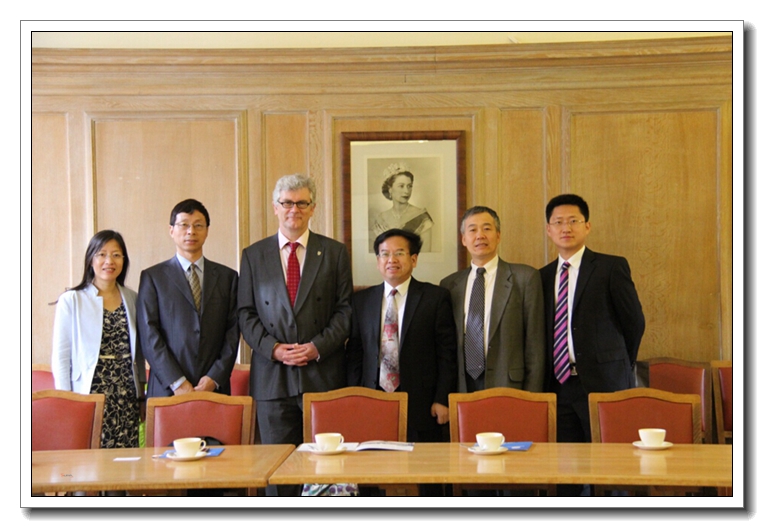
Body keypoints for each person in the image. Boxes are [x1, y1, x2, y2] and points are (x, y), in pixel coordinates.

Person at [238, 174, 352, 497]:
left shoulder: (334, 252)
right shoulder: (254, 255)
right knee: (277, 474)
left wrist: (317, 347)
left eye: (302, 203)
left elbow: (345, 312)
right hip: (272, 379)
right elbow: (245, 313)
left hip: (323, 375)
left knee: (325, 473)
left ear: (313, 208)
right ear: (276, 207)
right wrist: (273, 349)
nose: (294, 209)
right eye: (287, 203)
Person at [540, 194, 645, 495]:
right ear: (549, 230)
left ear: (587, 226)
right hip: (559, 385)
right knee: (566, 470)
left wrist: (619, 364)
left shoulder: (611, 267)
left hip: (604, 383)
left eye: (573, 221)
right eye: (558, 222)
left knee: (612, 468)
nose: (566, 228)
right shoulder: (542, 277)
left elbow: (634, 322)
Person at [347, 228, 457, 443]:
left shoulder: (435, 298)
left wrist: (442, 399)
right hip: (373, 399)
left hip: (422, 404)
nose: (392, 260)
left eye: (399, 253)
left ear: (413, 259)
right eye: (385, 254)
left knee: (422, 461)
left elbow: (447, 354)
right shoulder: (362, 301)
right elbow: (355, 353)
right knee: (375, 459)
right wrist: (354, 396)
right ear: (378, 261)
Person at [52, 230, 145, 449]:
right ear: (91, 259)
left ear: (124, 261)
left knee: (126, 457)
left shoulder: (132, 298)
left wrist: (141, 394)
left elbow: (139, 352)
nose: (109, 261)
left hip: (126, 392)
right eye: (101, 254)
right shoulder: (71, 300)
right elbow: (61, 357)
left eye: (116, 255)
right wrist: (66, 399)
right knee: (90, 455)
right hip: (90, 391)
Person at [137, 199, 239, 399]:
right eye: (184, 225)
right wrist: (176, 381)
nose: (191, 231)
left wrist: (214, 378)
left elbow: (233, 332)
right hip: (167, 390)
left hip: (214, 389)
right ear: (171, 230)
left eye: (198, 225)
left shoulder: (228, 278)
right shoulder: (153, 277)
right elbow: (149, 334)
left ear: (207, 231)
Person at [440, 206, 545, 393]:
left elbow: (535, 345)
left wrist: (532, 397)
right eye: (473, 230)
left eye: (487, 228)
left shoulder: (525, 278)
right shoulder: (449, 285)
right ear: (464, 239)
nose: (480, 235)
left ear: (498, 235)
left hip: (509, 386)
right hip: (462, 386)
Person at [371, 162, 434, 252]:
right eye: (401, 186)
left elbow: (426, 254)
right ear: (390, 189)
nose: (406, 191)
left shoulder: (422, 217)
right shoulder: (381, 219)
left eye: (409, 186)